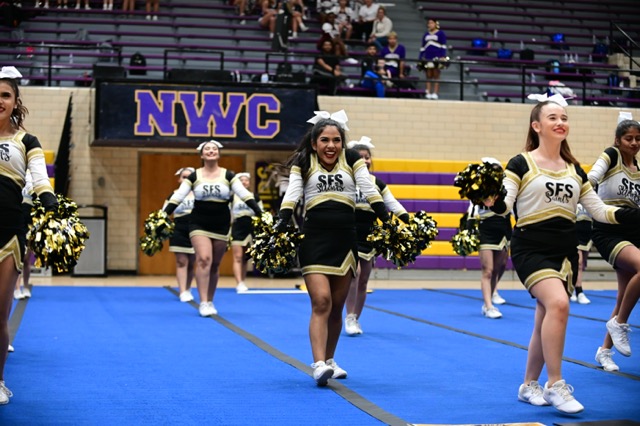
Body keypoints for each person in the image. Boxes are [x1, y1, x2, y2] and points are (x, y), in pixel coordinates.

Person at [486, 94, 640, 414]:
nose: (560, 123)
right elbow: (504, 205)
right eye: (553, 118)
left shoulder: (574, 169)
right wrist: (490, 199)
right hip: (531, 247)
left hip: (565, 252)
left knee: (546, 317)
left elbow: (599, 211)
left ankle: (529, 385)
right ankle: (555, 384)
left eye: (564, 118)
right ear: (536, 126)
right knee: (558, 303)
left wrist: (634, 215)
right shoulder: (520, 163)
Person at [276, 110, 391, 386]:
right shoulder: (304, 161)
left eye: (336, 140)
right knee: (322, 301)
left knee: (337, 306)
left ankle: (329, 360)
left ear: (343, 142)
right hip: (314, 240)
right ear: (314, 143)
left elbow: (368, 188)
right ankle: (317, 364)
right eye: (325, 140)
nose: (331, 145)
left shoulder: (352, 159)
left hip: (345, 241)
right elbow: (293, 192)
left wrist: (386, 218)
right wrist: (282, 219)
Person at [0, 66, 59, 404]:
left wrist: (49, 199)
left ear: (15, 101)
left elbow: (39, 177)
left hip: (9, 230)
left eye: (5, 95)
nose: (0, 101)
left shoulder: (27, 141)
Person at [163, 140, 261, 317]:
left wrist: (261, 213)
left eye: (214, 149)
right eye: (207, 149)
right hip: (199, 222)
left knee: (215, 265)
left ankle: (210, 300)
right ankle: (203, 302)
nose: (211, 151)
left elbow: (244, 194)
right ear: (201, 154)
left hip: (221, 224)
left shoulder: (228, 175)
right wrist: (163, 214)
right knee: (204, 259)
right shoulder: (194, 176)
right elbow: (178, 196)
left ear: (218, 153)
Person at [588, 112, 640, 372]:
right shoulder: (611, 155)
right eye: (629, 138)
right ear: (618, 140)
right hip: (609, 230)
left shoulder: (638, 170)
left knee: (623, 297)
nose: (634, 143)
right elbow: (590, 179)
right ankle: (619, 324)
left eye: (638, 139)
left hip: (634, 231)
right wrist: (590, 205)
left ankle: (604, 351)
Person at [344, 137, 408, 335]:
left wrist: (407, 219)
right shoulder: (345, 180)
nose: (365, 160)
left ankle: (355, 318)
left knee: (363, 280)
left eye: (367, 157)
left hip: (370, 235)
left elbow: (391, 202)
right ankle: (348, 317)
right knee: (353, 276)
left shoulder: (377, 183)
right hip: (348, 233)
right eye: (360, 157)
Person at [466, 159, 512, 319]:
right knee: (488, 270)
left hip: (503, 228)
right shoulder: (477, 188)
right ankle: (488, 306)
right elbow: (472, 208)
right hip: (486, 230)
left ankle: (491, 297)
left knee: (499, 268)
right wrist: (469, 228)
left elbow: (511, 206)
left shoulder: (506, 187)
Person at [163, 167, 196, 303]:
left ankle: (187, 288)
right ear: (179, 179)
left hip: (196, 230)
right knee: (182, 261)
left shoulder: (200, 195)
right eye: (184, 177)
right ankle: (182, 291)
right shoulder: (174, 195)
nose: (186, 179)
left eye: (189, 177)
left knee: (192, 262)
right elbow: (164, 213)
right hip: (179, 229)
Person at [231, 172, 263, 293]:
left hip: (251, 226)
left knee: (245, 257)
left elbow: (261, 212)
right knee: (238, 256)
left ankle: (242, 281)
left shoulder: (254, 197)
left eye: (246, 180)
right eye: (241, 180)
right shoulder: (233, 197)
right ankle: (238, 282)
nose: (244, 182)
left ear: (249, 183)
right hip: (238, 226)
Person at [14, 170, 33, 300]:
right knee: (18, 259)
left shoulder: (32, 178)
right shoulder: (15, 174)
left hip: (29, 225)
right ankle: (16, 289)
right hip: (16, 223)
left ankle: (25, 286)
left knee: (26, 260)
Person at [419, 18, 447, 100]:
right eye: (429, 23)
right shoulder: (426, 35)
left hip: (437, 56)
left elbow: (443, 46)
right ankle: (428, 92)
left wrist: (442, 56)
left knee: (436, 75)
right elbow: (422, 47)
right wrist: (420, 57)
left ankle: (435, 92)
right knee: (428, 75)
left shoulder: (441, 33)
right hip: (428, 57)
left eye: (431, 23)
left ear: (435, 24)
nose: (430, 25)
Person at [571, 203, 592, 304]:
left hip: (587, 233)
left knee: (582, 264)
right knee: (578, 263)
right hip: (574, 232)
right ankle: (579, 291)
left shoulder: (589, 197)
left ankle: (571, 286)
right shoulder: (572, 196)